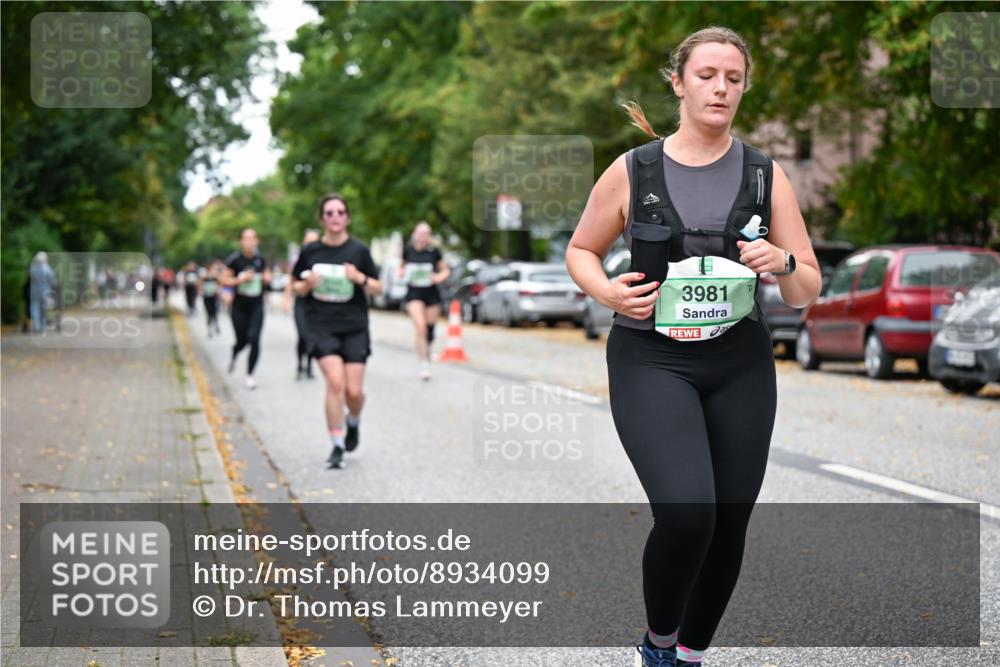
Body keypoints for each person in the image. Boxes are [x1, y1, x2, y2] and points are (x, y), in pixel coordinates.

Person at [565, 27, 821, 667]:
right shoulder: (633, 170)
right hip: (651, 358)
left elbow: (805, 289)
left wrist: (783, 260)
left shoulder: (766, 174)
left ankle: (692, 655)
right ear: (679, 82)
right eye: (707, 75)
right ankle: (656, 647)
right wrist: (609, 294)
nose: (721, 89)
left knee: (728, 523)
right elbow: (581, 250)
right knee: (687, 514)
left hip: (740, 363)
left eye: (733, 79)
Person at [292, 194, 382, 469]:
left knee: (354, 392)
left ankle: (353, 421)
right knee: (335, 384)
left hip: (354, 327)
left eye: (340, 212)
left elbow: (378, 287)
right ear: (322, 219)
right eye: (329, 213)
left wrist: (360, 279)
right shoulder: (311, 252)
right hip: (321, 326)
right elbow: (294, 285)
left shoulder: (359, 251)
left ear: (348, 218)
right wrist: (307, 285)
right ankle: (337, 445)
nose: (335, 217)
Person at [398, 221, 450, 380]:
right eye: (420, 233)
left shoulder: (434, 252)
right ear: (415, 234)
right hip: (414, 293)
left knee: (429, 330)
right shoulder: (408, 250)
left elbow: (445, 270)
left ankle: (427, 348)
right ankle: (424, 364)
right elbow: (401, 267)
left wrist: (438, 278)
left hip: (431, 293)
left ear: (429, 236)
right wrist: (401, 273)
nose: (422, 237)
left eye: (426, 234)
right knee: (420, 327)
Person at [221, 229, 271, 390]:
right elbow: (223, 280)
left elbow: (267, 278)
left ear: (257, 241)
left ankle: (250, 375)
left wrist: (266, 279)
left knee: (254, 339)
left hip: (257, 305)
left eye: (252, 238)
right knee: (242, 341)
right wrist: (240, 279)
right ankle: (235, 352)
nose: (249, 242)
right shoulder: (234, 260)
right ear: (241, 241)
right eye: (246, 238)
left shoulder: (261, 260)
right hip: (239, 307)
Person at [285, 229, 321, 380]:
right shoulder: (298, 260)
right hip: (301, 302)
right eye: (308, 241)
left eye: (315, 241)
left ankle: (310, 366)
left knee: (313, 337)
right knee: (302, 336)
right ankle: (300, 365)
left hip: (318, 304)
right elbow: (292, 281)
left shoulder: (323, 260)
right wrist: (286, 298)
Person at [28, 252, 57, 333]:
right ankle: (41, 326)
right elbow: (52, 281)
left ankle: (37, 326)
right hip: (45, 292)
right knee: (43, 310)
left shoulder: (32, 268)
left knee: (35, 308)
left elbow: (30, 279)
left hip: (34, 291)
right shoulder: (47, 268)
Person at [200, 260, 223, 338]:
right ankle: (209, 329)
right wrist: (202, 289)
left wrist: (218, 289)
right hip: (207, 297)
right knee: (209, 313)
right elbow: (200, 285)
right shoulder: (204, 276)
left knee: (215, 312)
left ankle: (216, 325)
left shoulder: (217, 276)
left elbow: (221, 285)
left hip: (215, 297)